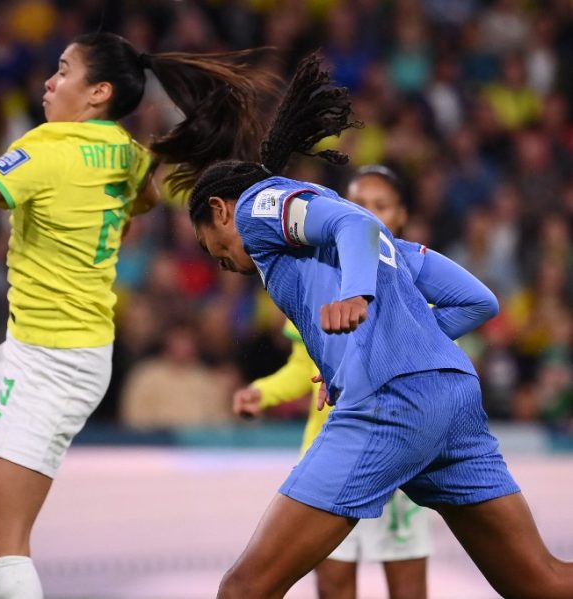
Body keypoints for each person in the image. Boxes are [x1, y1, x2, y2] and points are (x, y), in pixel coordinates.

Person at [0, 32, 283, 599]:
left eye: (63, 71)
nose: (49, 82)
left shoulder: (48, 148)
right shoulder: (127, 154)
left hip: (54, 366)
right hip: (38, 350)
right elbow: (144, 200)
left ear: (98, 92)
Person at [189, 52, 573, 599]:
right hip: (451, 397)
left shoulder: (257, 206)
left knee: (244, 588)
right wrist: (395, 346)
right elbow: (478, 301)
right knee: (544, 583)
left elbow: (352, 222)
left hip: (388, 404)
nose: (219, 259)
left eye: (210, 245)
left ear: (219, 211)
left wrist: (357, 299)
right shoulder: (389, 243)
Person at [232, 165, 439, 599]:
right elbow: (301, 368)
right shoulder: (315, 278)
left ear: (401, 216)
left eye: (380, 206)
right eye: (358, 205)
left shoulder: (418, 276)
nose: (368, 214)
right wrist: (264, 392)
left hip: (398, 454)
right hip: (330, 453)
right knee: (333, 588)